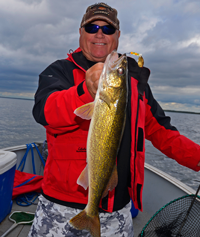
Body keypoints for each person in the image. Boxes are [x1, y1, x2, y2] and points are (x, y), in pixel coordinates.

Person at [29, 2, 200, 237]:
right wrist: (84, 91)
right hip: (61, 208)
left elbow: (163, 133)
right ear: (81, 32)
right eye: (92, 27)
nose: (100, 33)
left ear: (117, 36)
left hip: (118, 212)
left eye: (108, 29)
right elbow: (45, 112)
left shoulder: (135, 84)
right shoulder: (58, 71)